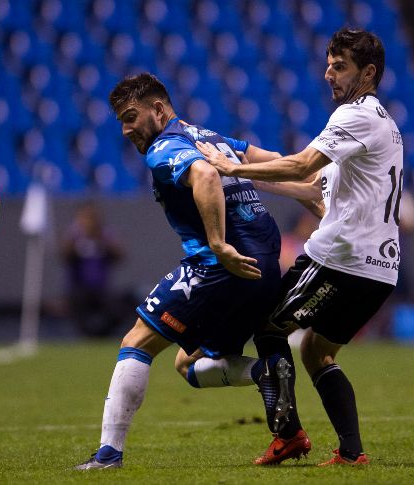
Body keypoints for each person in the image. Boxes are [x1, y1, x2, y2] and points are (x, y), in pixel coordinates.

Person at [197, 27, 402, 466]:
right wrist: (248, 177)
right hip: (380, 270)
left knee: (270, 330)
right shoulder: (384, 123)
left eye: (340, 66)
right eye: (328, 64)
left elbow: (305, 162)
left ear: (368, 73)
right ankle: (351, 453)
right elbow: (312, 185)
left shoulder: (355, 116)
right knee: (315, 351)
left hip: (339, 260)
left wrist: (231, 167)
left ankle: (287, 435)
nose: (329, 74)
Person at [73, 73, 287, 469]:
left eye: (131, 116)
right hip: (264, 269)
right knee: (188, 365)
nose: (125, 129)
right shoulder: (213, 137)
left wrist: (219, 245)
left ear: (158, 109)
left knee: (137, 342)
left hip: (219, 267)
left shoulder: (164, 147)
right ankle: (265, 371)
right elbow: (274, 162)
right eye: (120, 120)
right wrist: (315, 187)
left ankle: (108, 455)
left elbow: (204, 176)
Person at [60, 201, 126, 337]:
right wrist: (78, 238)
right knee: (80, 315)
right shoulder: (74, 235)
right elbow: (64, 256)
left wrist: (101, 239)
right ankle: (87, 337)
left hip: (101, 289)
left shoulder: (104, 234)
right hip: (79, 289)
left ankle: (101, 335)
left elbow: (120, 256)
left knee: (117, 311)